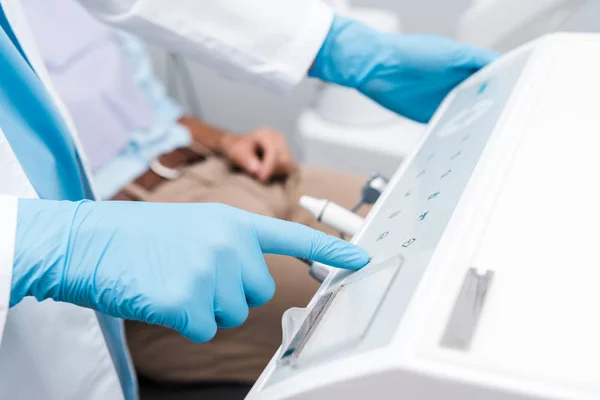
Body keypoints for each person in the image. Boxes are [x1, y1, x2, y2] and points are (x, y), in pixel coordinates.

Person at [0, 0, 497, 399]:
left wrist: (335, 48)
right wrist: (35, 243)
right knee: (412, 309)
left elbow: (140, 99)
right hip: (143, 227)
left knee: (459, 217)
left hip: (219, 166)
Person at [23, 0, 373, 383]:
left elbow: (159, 113)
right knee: (365, 305)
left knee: (413, 220)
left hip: (219, 166)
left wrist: (228, 140)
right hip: (142, 225)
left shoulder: (91, 9)